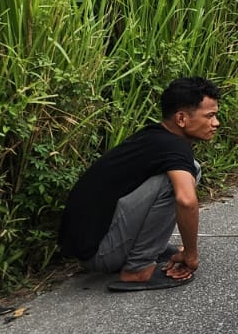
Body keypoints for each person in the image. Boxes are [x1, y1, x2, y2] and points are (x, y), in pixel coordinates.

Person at [58, 77, 222, 291]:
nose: (216, 123)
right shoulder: (174, 147)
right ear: (181, 118)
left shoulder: (155, 136)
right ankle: (138, 268)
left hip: (90, 244)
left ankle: (146, 250)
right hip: (99, 252)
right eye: (209, 116)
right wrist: (191, 256)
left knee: (192, 169)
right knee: (174, 184)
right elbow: (186, 201)